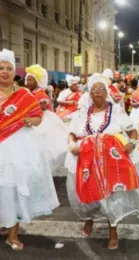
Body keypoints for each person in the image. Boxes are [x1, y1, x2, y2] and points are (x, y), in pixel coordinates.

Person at [65, 73, 139, 250]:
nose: (97, 92)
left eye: (100, 89)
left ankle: (112, 230)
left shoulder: (116, 111)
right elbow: (72, 133)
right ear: (89, 94)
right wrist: (71, 144)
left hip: (111, 160)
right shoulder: (83, 113)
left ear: (106, 93)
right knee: (87, 190)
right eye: (93, 90)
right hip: (86, 159)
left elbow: (131, 131)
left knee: (111, 196)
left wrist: (131, 143)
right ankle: (89, 220)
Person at [0, 49, 59, 250]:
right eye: (1, 68)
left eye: (9, 68)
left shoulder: (23, 94)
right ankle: (4, 224)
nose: (5, 72)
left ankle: (13, 233)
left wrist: (29, 121)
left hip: (18, 148)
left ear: (14, 71)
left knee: (14, 190)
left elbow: (37, 116)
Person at [25, 64, 68, 172]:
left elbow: (41, 107)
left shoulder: (40, 94)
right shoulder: (30, 92)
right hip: (32, 119)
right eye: (27, 79)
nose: (28, 82)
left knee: (44, 145)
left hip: (42, 120)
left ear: (38, 81)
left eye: (31, 80)